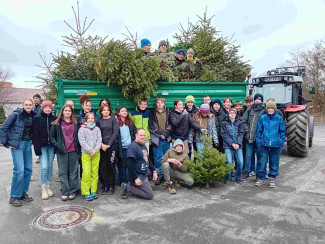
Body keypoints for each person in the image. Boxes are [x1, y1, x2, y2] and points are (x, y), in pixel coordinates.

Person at [0, 99, 36, 207]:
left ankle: (23, 192)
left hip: (27, 145)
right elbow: (3, 128)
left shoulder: (33, 115)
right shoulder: (15, 115)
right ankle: (14, 196)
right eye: (26, 105)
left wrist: (32, 139)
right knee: (19, 170)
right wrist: (6, 143)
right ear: (23, 105)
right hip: (17, 145)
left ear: (33, 106)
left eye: (30, 105)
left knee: (28, 169)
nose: (28, 106)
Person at [49, 104, 79, 201]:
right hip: (62, 151)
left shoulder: (75, 122)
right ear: (62, 111)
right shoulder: (57, 123)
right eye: (66, 110)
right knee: (62, 172)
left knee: (73, 171)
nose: (67, 112)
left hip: (73, 150)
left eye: (69, 111)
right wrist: (58, 145)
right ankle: (65, 191)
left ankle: (73, 191)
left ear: (71, 112)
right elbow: (51, 136)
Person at [120, 129, 158, 200]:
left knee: (157, 171)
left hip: (144, 171)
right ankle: (128, 187)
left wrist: (154, 171)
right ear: (136, 135)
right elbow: (129, 164)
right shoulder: (133, 147)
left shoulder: (143, 145)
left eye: (144, 135)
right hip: (137, 174)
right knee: (150, 196)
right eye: (141, 135)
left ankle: (141, 184)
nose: (143, 137)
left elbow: (148, 159)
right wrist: (136, 178)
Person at [255, 101, 286, 188]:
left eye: (272, 108)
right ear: (267, 109)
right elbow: (259, 131)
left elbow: (282, 131)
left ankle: (272, 178)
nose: (270, 110)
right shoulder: (263, 118)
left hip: (276, 144)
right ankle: (260, 178)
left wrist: (281, 141)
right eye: (269, 108)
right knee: (262, 162)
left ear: (274, 109)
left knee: (274, 162)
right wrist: (259, 142)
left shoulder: (279, 118)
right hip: (264, 144)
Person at [32, 100, 57, 200]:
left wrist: (56, 146)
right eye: (46, 107)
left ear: (51, 109)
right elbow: (35, 135)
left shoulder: (54, 118)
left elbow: (56, 134)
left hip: (51, 146)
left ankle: (48, 187)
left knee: (50, 167)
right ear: (43, 108)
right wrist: (37, 149)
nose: (48, 109)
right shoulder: (37, 119)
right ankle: (43, 188)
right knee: (44, 167)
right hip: (42, 146)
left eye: (49, 107)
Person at [78, 112, 102, 201]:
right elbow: (82, 141)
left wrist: (95, 150)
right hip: (86, 154)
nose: (91, 120)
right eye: (89, 118)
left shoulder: (97, 129)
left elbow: (99, 140)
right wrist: (90, 150)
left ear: (94, 119)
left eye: (92, 118)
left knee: (94, 172)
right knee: (86, 173)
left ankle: (93, 190)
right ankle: (86, 192)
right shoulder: (82, 129)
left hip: (96, 153)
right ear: (86, 119)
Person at [96, 104, 119, 195]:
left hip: (112, 146)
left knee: (111, 166)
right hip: (101, 147)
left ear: (110, 111)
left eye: (107, 110)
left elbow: (115, 132)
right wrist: (101, 144)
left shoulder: (113, 119)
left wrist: (108, 144)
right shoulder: (99, 121)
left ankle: (111, 185)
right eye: (103, 110)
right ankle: (104, 185)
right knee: (103, 167)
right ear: (101, 112)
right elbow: (97, 134)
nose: (105, 111)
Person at [148, 97, 172, 185]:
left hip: (166, 138)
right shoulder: (152, 112)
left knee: (166, 157)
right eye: (158, 102)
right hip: (157, 138)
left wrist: (165, 134)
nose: (160, 104)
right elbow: (150, 125)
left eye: (161, 102)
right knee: (158, 158)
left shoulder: (168, 111)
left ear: (164, 104)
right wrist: (160, 134)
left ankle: (166, 176)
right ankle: (158, 176)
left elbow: (171, 124)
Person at [242, 93, 266, 179]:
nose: (257, 101)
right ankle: (247, 171)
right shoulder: (249, 110)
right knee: (248, 156)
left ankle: (259, 173)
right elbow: (244, 121)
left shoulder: (264, 110)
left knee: (260, 156)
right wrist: (247, 130)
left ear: (261, 100)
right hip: (249, 138)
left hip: (260, 138)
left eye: (259, 99)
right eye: (256, 99)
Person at [116, 107, 137, 192]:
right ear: (119, 113)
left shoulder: (130, 122)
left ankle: (130, 181)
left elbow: (135, 132)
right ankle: (123, 181)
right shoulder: (116, 122)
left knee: (130, 164)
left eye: (125, 111)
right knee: (122, 165)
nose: (124, 112)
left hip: (130, 147)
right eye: (122, 111)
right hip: (122, 148)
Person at [221, 108, 244, 184]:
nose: (232, 114)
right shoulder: (224, 123)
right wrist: (232, 143)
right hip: (228, 145)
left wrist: (238, 143)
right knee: (229, 161)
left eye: (234, 113)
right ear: (228, 113)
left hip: (238, 145)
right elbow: (224, 134)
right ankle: (228, 177)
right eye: (231, 112)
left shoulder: (239, 123)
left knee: (240, 161)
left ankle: (238, 178)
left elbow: (241, 134)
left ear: (236, 114)